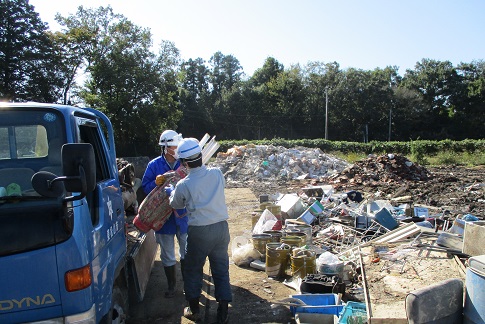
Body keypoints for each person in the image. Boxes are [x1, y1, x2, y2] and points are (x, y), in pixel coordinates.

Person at [169, 138, 232, 324]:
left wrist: (171, 191)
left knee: (193, 269)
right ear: (201, 156)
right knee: (221, 269)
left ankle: (194, 309)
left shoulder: (184, 184)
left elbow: (175, 203)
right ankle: (223, 311)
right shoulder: (217, 173)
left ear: (184, 163)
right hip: (221, 229)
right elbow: (221, 187)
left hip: (199, 232)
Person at [141, 130, 188, 298]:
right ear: (167, 147)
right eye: (175, 145)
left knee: (186, 250)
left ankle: (188, 283)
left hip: (182, 215)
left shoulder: (184, 163)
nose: (178, 148)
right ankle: (172, 285)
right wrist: (155, 184)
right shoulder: (154, 165)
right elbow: (145, 187)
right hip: (163, 218)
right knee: (167, 253)